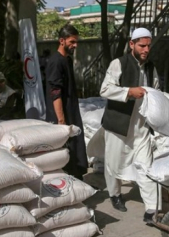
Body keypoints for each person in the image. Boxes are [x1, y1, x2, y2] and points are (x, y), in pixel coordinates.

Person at [100, 27, 160, 225]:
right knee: (113, 163)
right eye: (142, 45)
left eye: (148, 46)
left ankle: (152, 209)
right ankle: (115, 194)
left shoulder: (151, 67)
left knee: (146, 165)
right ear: (131, 44)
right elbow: (105, 89)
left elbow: (156, 91)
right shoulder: (119, 63)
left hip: (141, 125)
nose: (146, 50)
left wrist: (168, 100)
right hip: (118, 122)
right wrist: (128, 92)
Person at [45, 24, 88, 180]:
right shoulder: (56, 62)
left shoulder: (66, 59)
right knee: (66, 150)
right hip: (62, 114)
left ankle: (79, 181)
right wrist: (61, 121)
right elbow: (55, 93)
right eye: (72, 42)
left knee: (76, 147)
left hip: (70, 109)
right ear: (61, 41)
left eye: (76, 42)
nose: (75, 45)